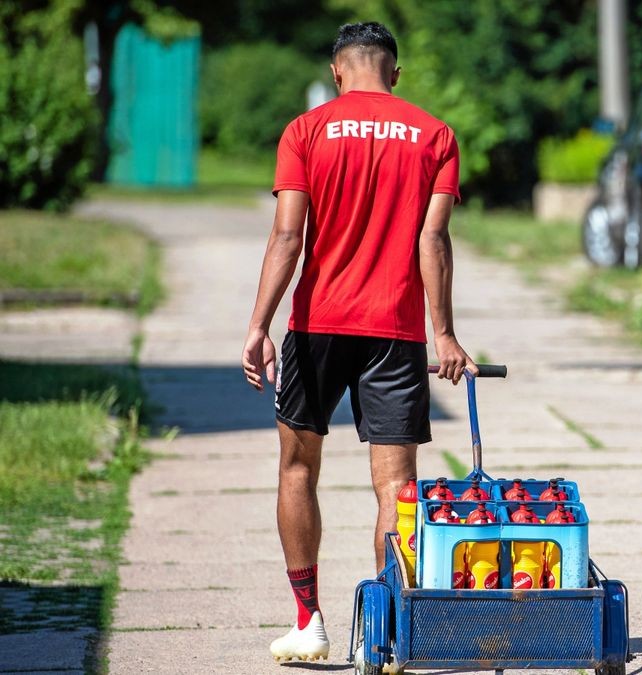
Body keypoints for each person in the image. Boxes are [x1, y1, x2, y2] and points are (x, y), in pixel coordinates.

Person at [241, 22, 476, 663]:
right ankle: (389, 632)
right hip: (394, 332)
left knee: (296, 468)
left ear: (338, 70)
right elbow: (434, 241)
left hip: (316, 324)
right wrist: (445, 333)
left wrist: (260, 326)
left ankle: (308, 621)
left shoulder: (306, 130)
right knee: (397, 492)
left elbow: (288, 237)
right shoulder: (435, 136)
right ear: (395, 74)